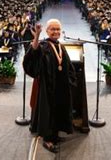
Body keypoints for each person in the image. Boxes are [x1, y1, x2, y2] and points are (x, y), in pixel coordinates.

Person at [23, 19, 76, 154]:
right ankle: (47, 139)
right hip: (47, 87)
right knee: (48, 112)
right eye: (52, 29)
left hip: (60, 86)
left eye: (58, 29)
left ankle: (55, 135)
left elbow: (68, 66)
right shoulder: (43, 45)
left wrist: (70, 80)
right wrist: (36, 36)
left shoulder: (60, 46)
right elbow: (33, 53)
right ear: (47, 31)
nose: (56, 32)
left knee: (58, 110)